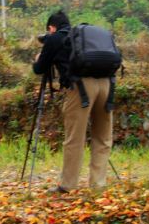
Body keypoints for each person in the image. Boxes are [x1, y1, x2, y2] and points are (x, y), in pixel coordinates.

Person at [33, 10, 113, 193]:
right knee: (103, 137)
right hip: (106, 84)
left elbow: (39, 69)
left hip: (81, 88)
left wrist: (38, 58)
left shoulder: (53, 39)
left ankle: (68, 185)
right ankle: (98, 184)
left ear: (51, 27)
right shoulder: (81, 38)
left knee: (74, 138)